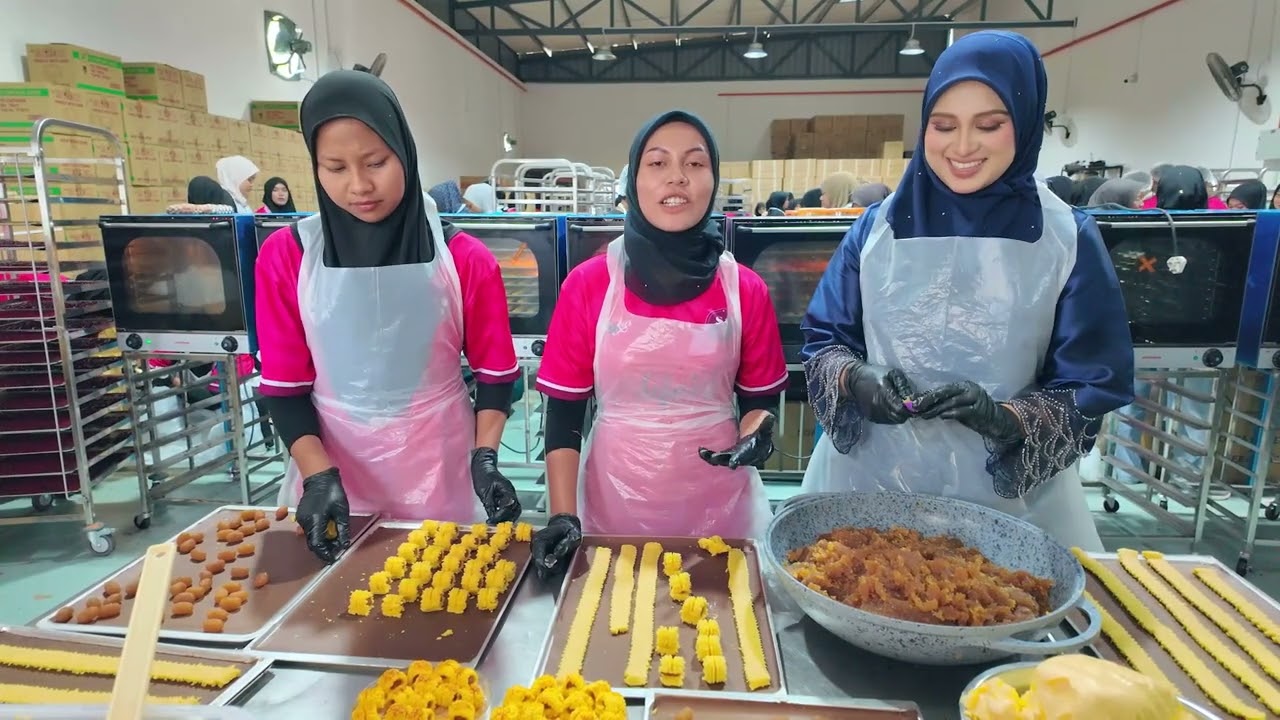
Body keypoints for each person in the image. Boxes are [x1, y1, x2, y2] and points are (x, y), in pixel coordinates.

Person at [799, 30, 1134, 552]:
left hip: (1012, 509)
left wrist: (1006, 419)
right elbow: (824, 341)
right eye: (944, 125)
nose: (961, 147)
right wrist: (856, 378)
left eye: (989, 125)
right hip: (864, 490)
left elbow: (1092, 380)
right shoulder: (876, 230)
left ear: (1025, 122)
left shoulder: (1064, 238)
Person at [255, 70, 522, 563]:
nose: (359, 185)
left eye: (376, 162)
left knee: (443, 590)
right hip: (332, 468)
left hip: (440, 464)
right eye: (335, 167)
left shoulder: (464, 259)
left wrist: (485, 458)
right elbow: (284, 386)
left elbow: (497, 373)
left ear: (404, 152)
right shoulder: (288, 257)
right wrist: (318, 476)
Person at [530, 110, 787, 578]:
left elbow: (759, 400)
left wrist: (757, 434)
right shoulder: (590, 285)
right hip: (614, 502)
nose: (677, 177)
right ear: (634, 181)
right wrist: (563, 515)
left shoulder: (743, 289)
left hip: (721, 506)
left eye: (695, 163)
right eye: (657, 163)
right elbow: (564, 415)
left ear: (712, 180)